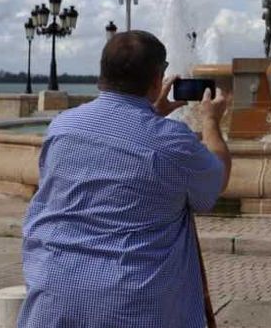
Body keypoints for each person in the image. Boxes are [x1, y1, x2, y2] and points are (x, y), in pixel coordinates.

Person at [18, 30, 231, 328]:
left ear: (102, 73)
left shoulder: (62, 127)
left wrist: (152, 113)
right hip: (133, 304)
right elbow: (215, 180)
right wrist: (210, 122)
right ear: (158, 80)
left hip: (52, 294)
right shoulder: (171, 141)